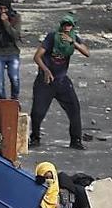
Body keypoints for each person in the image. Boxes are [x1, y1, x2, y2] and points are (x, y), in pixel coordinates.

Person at [29, 15, 90, 150]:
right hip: (45, 81)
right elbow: (37, 56)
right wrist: (45, 70)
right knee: (37, 112)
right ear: (61, 26)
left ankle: (76, 140)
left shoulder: (73, 37)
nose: (67, 28)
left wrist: (73, 42)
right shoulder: (52, 37)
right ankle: (35, 138)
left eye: (70, 26)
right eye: (65, 25)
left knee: (74, 109)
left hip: (62, 81)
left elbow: (87, 53)